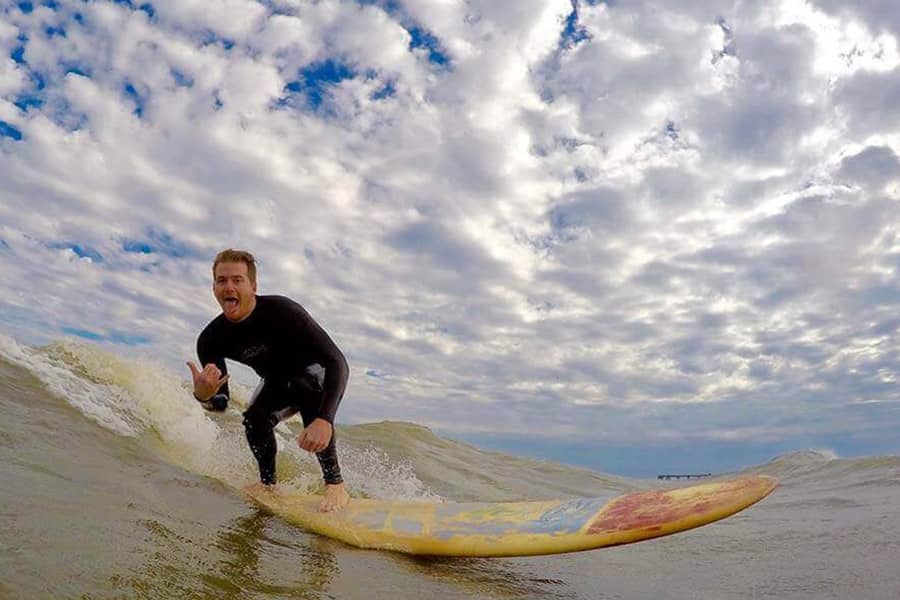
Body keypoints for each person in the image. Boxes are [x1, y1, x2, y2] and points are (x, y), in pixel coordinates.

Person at [186, 249, 351, 512]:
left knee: (304, 385)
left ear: (253, 285)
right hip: (275, 382)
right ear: (214, 287)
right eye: (222, 280)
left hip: (314, 377)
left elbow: (337, 362)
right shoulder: (211, 339)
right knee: (253, 419)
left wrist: (324, 420)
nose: (229, 286)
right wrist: (204, 395)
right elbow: (221, 403)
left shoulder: (283, 311)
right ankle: (269, 486)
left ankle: (335, 484)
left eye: (237, 280)